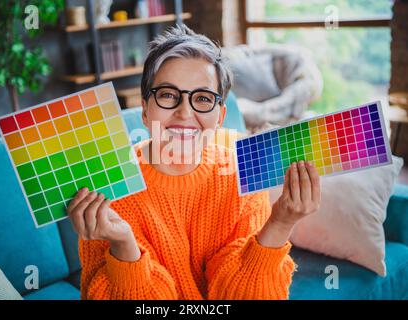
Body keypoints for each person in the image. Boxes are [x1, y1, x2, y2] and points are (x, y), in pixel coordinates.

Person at [67, 25, 321, 300]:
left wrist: (281, 224)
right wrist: (124, 246)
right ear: (144, 110)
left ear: (221, 116)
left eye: (202, 98)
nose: (184, 112)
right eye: (167, 95)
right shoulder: (109, 184)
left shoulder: (242, 174)